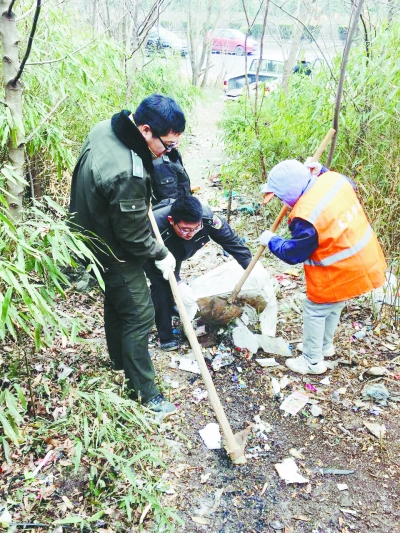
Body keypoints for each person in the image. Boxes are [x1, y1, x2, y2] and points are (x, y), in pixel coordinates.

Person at [69, 94, 186, 416]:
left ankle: (119, 359)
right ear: (146, 130)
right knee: (139, 314)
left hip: (90, 232)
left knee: (116, 301)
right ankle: (146, 393)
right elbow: (133, 236)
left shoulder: (105, 129)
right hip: (113, 249)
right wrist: (161, 254)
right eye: (169, 144)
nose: (169, 152)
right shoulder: (128, 173)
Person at [259, 159, 386, 375]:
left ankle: (311, 361)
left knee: (316, 311)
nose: (281, 201)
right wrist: (323, 171)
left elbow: (293, 253)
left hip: (338, 271)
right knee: (334, 306)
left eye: (280, 197)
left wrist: (271, 240)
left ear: (290, 192)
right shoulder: (333, 179)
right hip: (361, 260)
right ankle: (324, 346)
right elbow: (349, 185)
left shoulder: (305, 217)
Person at [144, 196, 252, 350]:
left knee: (174, 279)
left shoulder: (207, 219)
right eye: (185, 229)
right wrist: (176, 280)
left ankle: (174, 304)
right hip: (155, 252)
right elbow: (142, 250)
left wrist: (251, 267)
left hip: (178, 250)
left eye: (195, 228)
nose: (191, 233)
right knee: (162, 286)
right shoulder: (154, 225)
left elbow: (232, 242)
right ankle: (165, 336)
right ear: (171, 220)